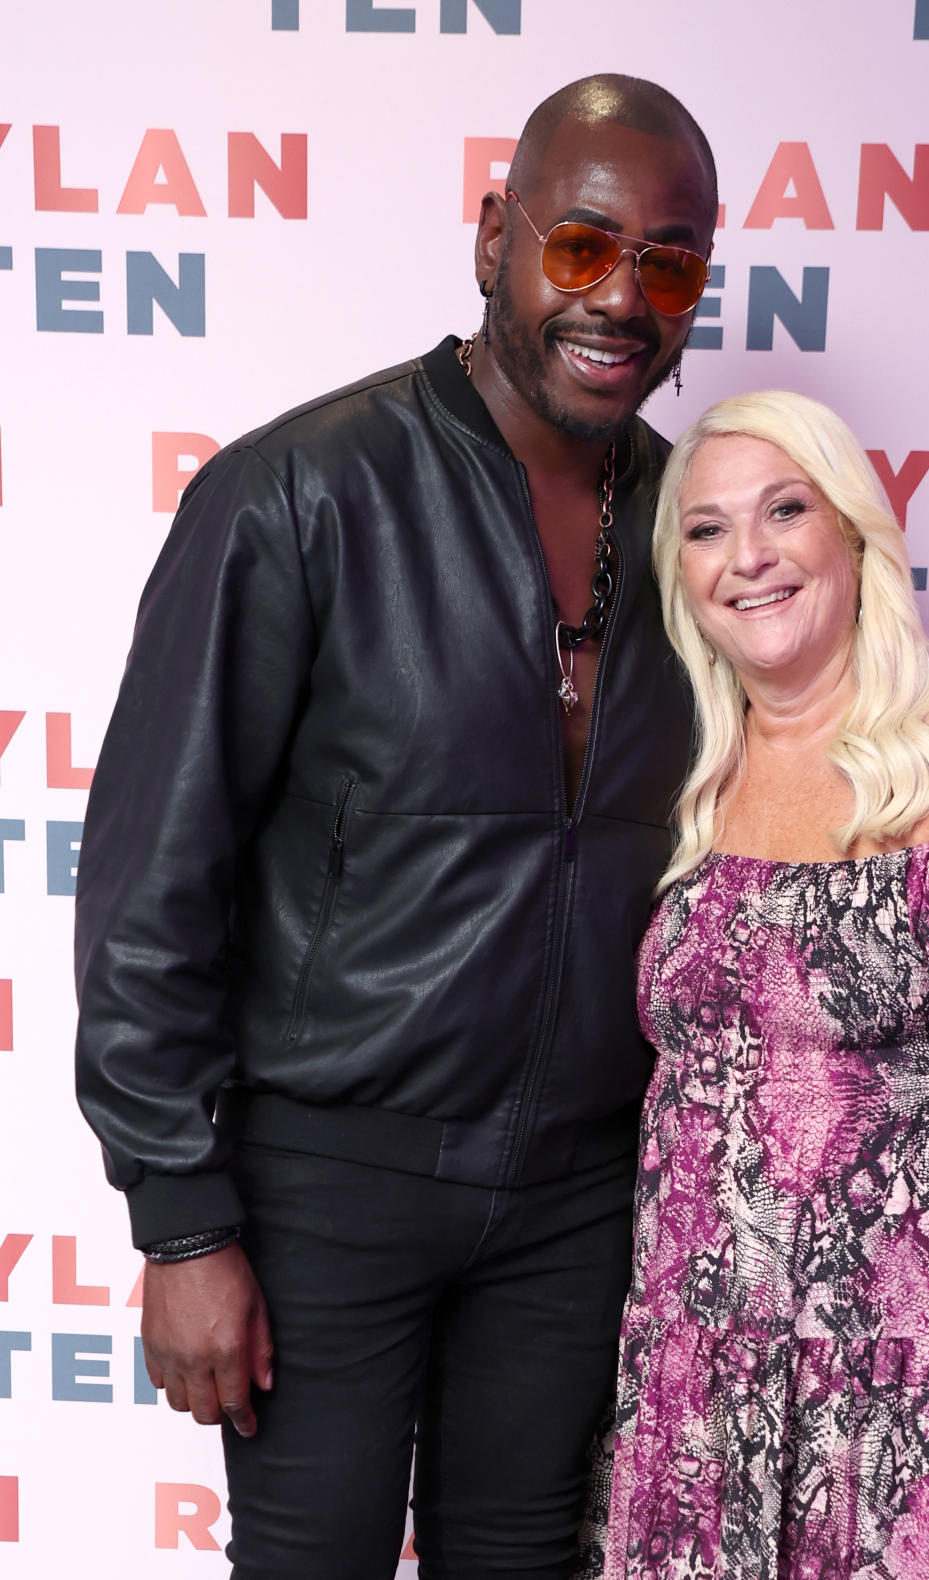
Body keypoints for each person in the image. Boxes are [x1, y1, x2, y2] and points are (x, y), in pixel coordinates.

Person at [73, 75, 717, 1580]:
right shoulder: (296, 492)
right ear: (495, 236)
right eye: (579, 246)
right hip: (327, 1186)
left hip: (579, 1198)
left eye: (669, 262)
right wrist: (179, 1222)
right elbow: (152, 883)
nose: (621, 297)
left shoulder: (702, 527)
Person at [579, 391, 929, 1580]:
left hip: (905, 1388)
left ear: (851, 535)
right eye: (705, 530)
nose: (748, 556)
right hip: (697, 1380)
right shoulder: (695, 771)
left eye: (785, 510)